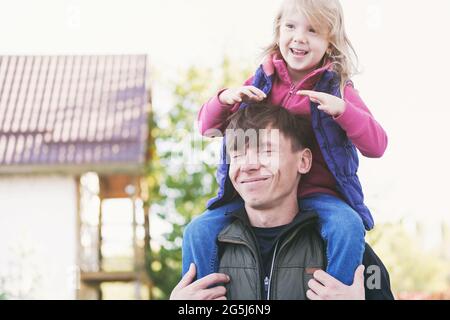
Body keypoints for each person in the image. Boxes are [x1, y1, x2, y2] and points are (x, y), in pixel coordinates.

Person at [186, 0, 388, 285]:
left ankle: (336, 291)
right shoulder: (261, 80)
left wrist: (343, 111)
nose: (299, 37)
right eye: (290, 27)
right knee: (197, 230)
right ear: (278, 32)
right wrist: (222, 100)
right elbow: (207, 129)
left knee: (348, 226)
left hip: (320, 194)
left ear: (330, 41)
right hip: (262, 192)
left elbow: (377, 145)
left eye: (313, 30)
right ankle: (204, 296)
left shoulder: (338, 89)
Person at [173, 104, 393, 300]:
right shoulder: (205, 248)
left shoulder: (350, 250)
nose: (248, 165)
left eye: (266, 151)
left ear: (304, 161)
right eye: (237, 155)